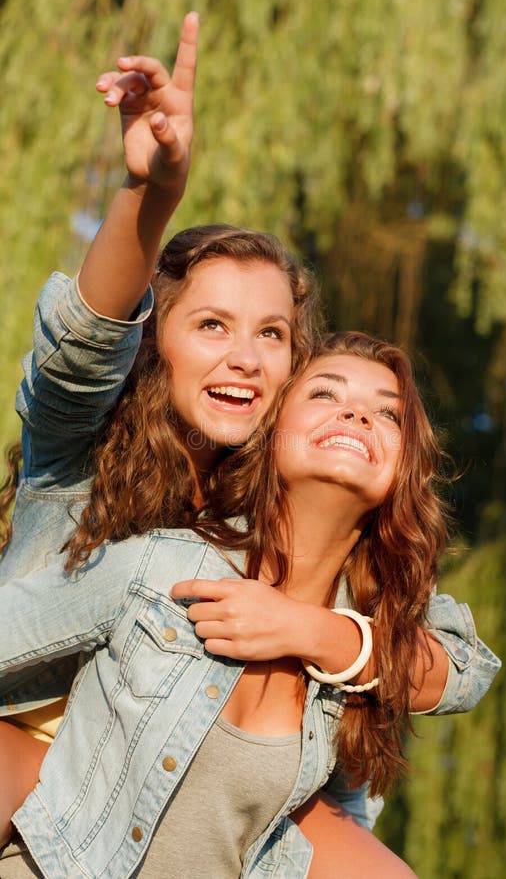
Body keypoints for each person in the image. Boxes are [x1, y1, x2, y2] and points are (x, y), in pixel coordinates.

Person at [0, 12, 500, 870]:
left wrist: (312, 630)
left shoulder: (292, 526)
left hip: (214, 789)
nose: (244, 355)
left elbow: (457, 661)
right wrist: (151, 194)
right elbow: (81, 350)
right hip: (50, 788)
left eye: (272, 334)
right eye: (211, 324)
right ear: (157, 344)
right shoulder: (81, 465)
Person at [1, 331, 473, 878]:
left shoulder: (375, 609)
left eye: (387, 414)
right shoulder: (163, 568)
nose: (358, 416)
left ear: (405, 467)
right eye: (325, 394)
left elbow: (467, 671)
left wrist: (308, 631)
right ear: (271, 434)